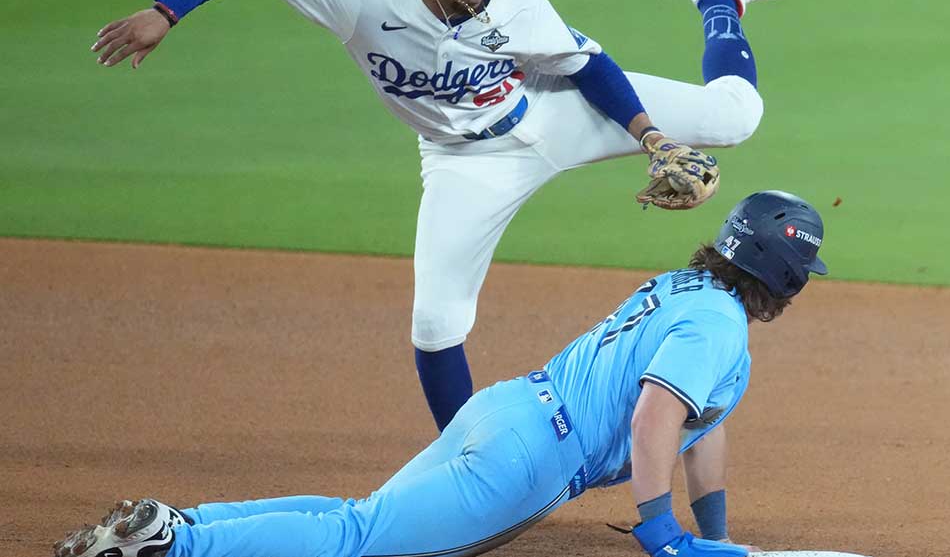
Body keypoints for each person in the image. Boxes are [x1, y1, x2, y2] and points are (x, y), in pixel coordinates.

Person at [89, 0, 795, 430]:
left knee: (739, 114)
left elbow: (589, 64)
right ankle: (466, 463)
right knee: (434, 324)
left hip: (556, 112)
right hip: (465, 162)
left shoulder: (518, 4)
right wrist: (167, 10)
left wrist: (651, 137)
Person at [54, 190, 828, 557]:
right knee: (362, 542)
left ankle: (182, 521)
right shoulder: (719, 323)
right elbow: (657, 416)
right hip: (529, 459)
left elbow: (702, 432)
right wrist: (661, 529)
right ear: (781, 269)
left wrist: (713, 539)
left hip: (506, 409)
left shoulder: (686, 288)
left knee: (359, 516)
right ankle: (173, 548)